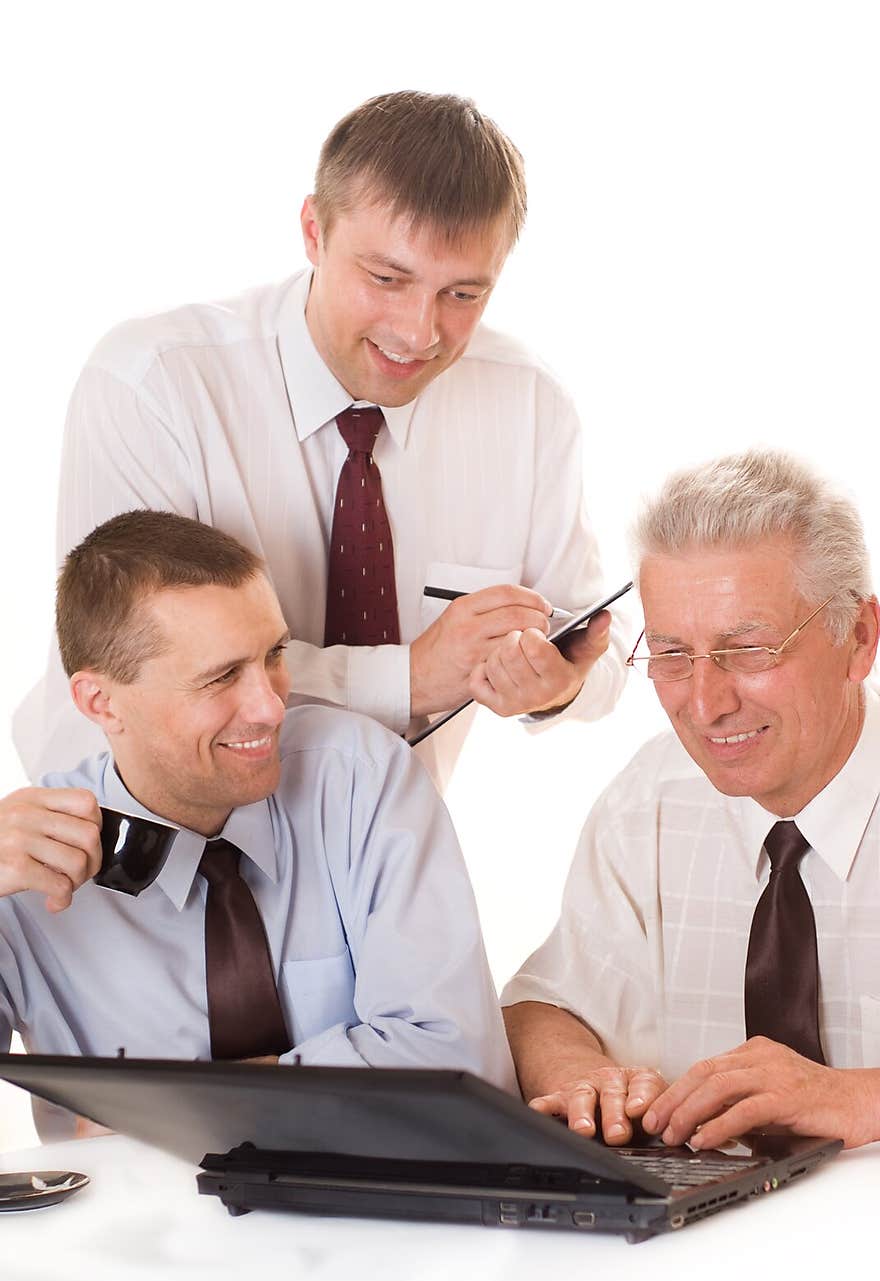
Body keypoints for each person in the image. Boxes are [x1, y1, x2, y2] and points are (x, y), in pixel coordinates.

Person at [14, 89, 629, 792]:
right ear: (313, 231)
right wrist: (411, 675)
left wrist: (554, 684)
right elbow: (148, 673)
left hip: (376, 856)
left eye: (462, 295)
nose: (418, 332)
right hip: (139, 841)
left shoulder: (528, 406)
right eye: (386, 278)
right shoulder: (153, 383)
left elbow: (600, 657)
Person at [0, 510, 515, 1139]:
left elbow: (461, 1071)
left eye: (273, 655)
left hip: (375, 1229)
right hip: (126, 1234)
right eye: (221, 677)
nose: (271, 706)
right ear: (101, 703)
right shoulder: (25, 861)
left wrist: (176, 1111)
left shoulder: (358, 777)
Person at [502, 449, 880, 1152]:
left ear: (858, 638)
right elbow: (542, 1005)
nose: (705, 705)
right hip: (703, 1245)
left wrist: (857, 1096)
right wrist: (582, 1073)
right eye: (673, 654)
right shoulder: (650, 800)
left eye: (750, 648)